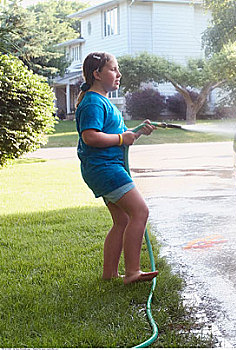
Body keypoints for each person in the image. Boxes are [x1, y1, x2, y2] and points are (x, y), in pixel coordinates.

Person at [75, 52, 158, 284]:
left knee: (121, 221)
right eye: (113, 69)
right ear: (97, 74)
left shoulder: (100, 101)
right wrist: (122, 139)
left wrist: (137, 132)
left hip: (103, 168)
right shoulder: (93, 101)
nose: (118, 74)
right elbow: (90, 137)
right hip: (105, 168)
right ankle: (133, 272)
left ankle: (109, 273)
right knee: (140, 212)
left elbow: (117, 136)